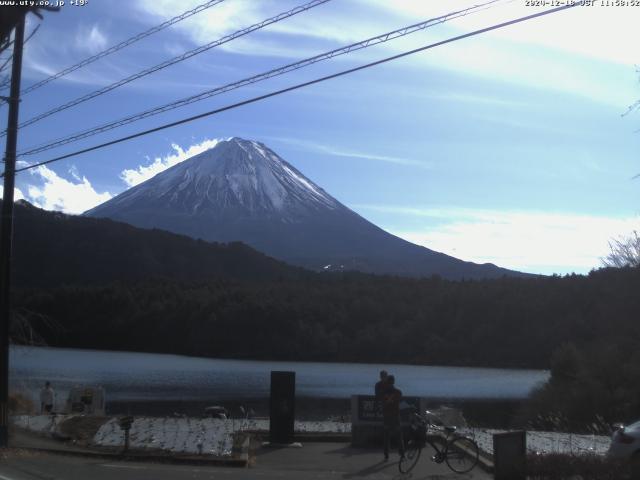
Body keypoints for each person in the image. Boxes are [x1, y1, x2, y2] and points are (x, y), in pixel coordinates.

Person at [381, 375, 404, 461]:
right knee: (399, 436)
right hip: (395, 416)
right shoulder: (398, 392)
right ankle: (402, 454)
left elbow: (382, 401)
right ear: (394, 382)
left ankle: (386, 455)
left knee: (386, 436)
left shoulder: (383, 392)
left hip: (387, 416)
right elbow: (399, 401)